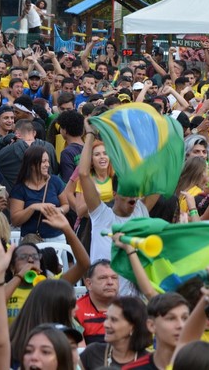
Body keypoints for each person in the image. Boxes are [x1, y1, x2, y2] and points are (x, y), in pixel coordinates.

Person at [80, 122, 158, 295]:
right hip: (104, 301)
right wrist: (90, 134)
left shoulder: (141, 210)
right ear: (115, 193)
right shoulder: (101, 215)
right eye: (127, 192)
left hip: (134, 303)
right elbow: (84, 174)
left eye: (135, 192)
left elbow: (158, 176)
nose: (133, 197)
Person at [9, 145, 69, 242]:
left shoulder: (55, 181)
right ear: (32, 164)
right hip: (32, 240)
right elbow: (15, 220)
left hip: (56, 238)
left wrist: (59, 210)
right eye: (43, 161)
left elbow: (66, 205)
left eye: (48, 161)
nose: (47, 165)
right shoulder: (20, 189)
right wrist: (33, 207)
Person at [79, 296, 151, 369]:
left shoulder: (149, 362)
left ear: (133, 327)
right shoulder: (92, 353)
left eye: (114, 320)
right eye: (106, 318)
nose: (105, 324)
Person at [123, 293, 189, 370]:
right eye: (171, 318)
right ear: (151, 326)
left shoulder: (202, 365)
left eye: (185, 318)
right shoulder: (133, 369)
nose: (181, 325)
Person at [76, 259, 120, 344]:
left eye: (114, 278)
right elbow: (80, 352)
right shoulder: (76, 311)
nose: (110, 282)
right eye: (103, 278)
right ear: (89, 283)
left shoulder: (129, 308)